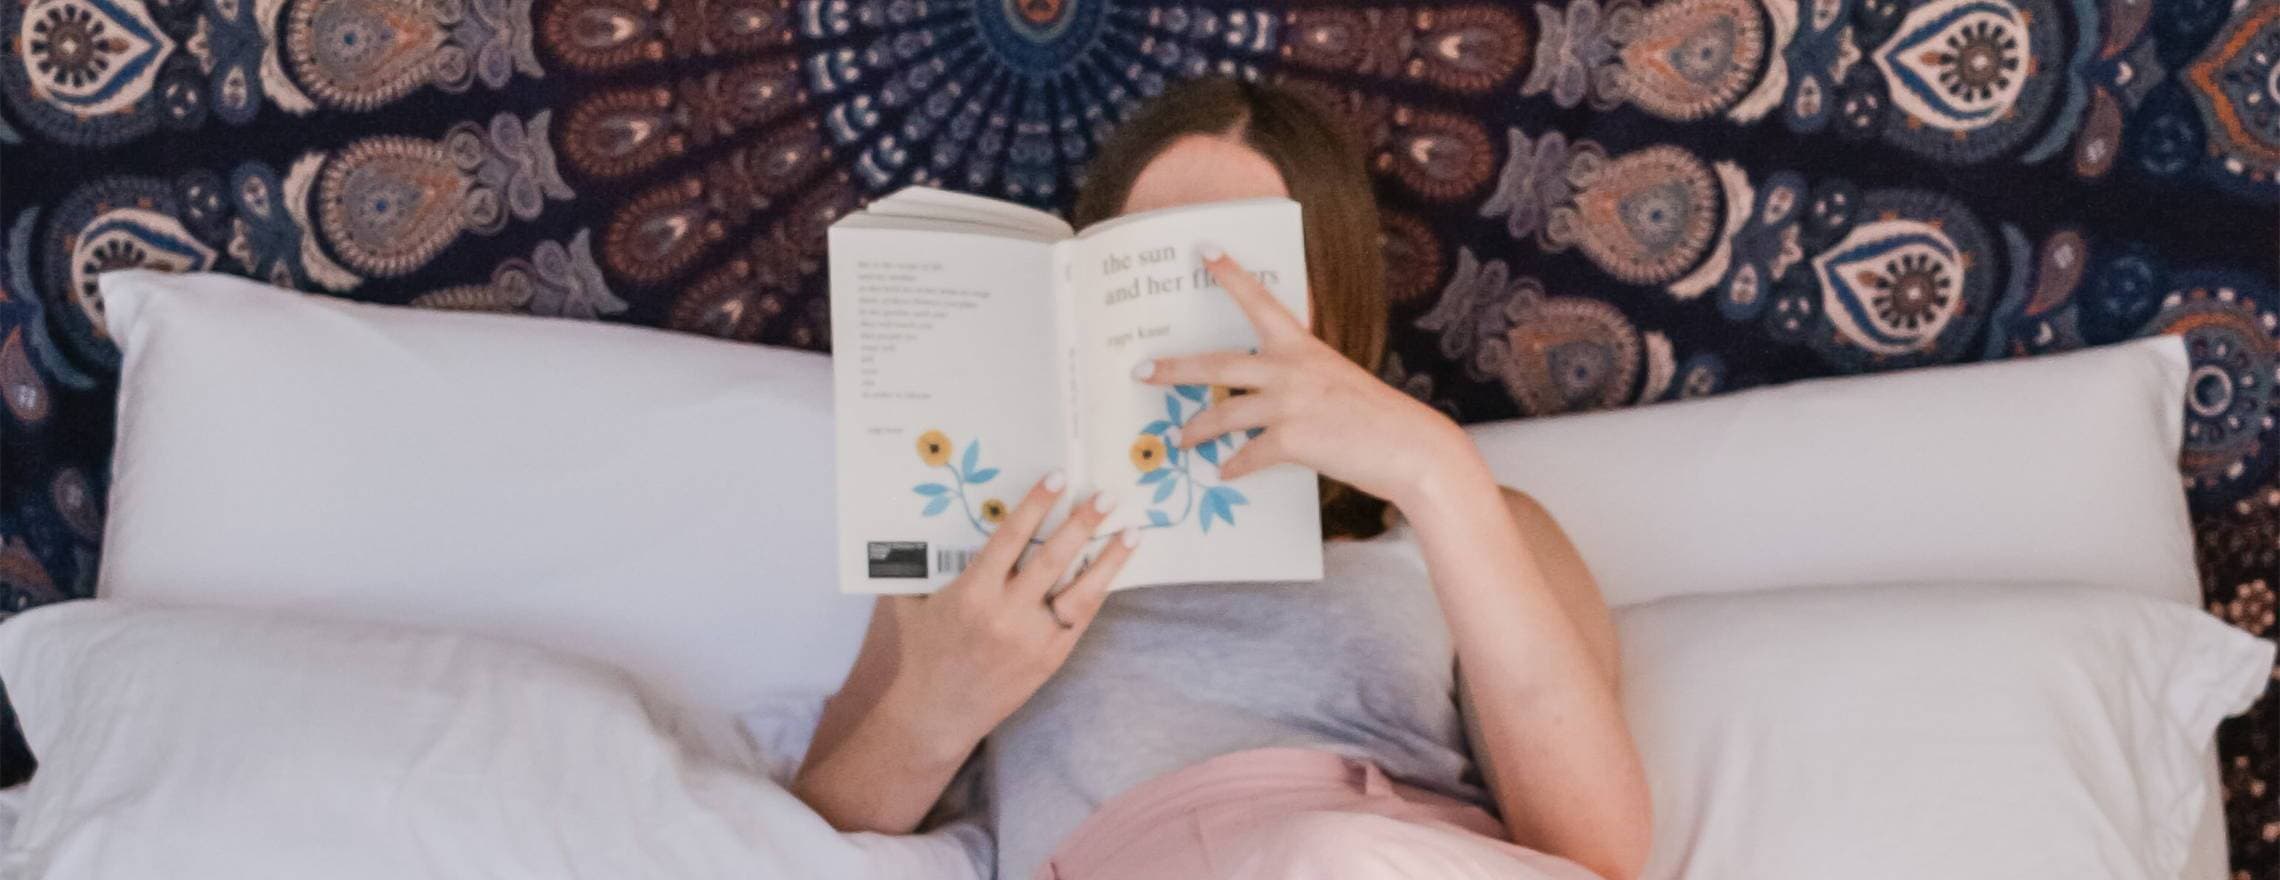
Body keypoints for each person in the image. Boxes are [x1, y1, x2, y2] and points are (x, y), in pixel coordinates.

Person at [793, 77, 1651, 880]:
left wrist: (1436, 472)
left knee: (1326, 854)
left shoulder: (1462, 514)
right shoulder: (988, 540)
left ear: (1330, 294)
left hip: (1383, 857)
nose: (1186, 321)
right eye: (1148, 267)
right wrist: (938, 707)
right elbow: (800, 836)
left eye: (1234, 264)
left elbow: (1594, 853)